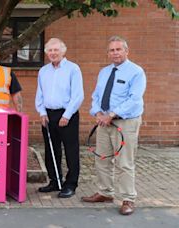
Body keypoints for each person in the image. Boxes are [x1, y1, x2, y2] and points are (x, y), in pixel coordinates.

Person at [82, 36, 146, 216]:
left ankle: (128, 198)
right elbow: (96, 96)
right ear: (108, 53)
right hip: (104, 122)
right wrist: (98, 113)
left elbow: (134, 99)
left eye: (118, 49)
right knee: (102, 158)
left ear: (126, 51)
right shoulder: (104, 72)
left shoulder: (136, 72)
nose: (115, 53)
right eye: (112, 50)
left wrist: (111, 114)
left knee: (124, 162)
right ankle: (105, 192)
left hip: (125, 122)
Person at [35, 38, 84, 198]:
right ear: (46, 53)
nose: (53, 53)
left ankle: (70, 184)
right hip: (48, 116)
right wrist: (41, 112)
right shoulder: (43, 71)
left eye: (56, 50)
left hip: (67, 114)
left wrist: (67, 115)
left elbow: (78, 95)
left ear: (63, 51)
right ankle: (55, 180)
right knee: (51, 149)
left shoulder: (73, 69)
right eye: (50, 50)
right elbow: (39, 94)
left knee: (70, 150)